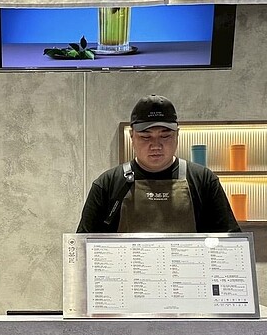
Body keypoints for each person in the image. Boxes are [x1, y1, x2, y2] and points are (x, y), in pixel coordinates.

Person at [77, 95, 241, 233]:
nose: (156, 145)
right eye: (146, 137)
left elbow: (230, 242)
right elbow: (83, 246)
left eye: (165, 136)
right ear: (132, 136)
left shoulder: (204, 181)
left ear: (177, 135)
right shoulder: (108, 184)